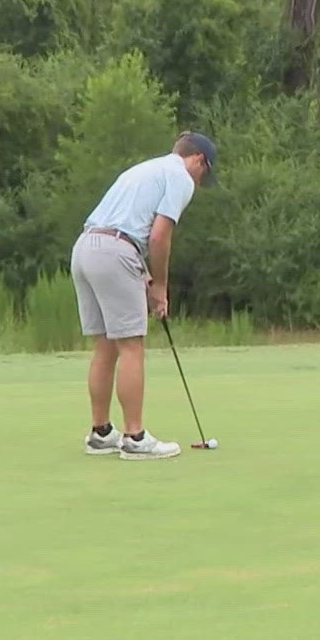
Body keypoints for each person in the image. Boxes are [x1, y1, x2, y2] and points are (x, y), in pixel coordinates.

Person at [70, 132, 218, 460]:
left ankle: (101, 433)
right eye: (205, 172)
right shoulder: (180, 177)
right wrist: (161, 287)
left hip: (85, 249)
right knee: (131, 346)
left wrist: (142, 273)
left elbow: (126, 226)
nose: (201, 179)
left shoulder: (143, 170)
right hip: (115, 251)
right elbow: (160, 236)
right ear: (198, 160)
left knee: (106, 346)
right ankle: (135, 438)